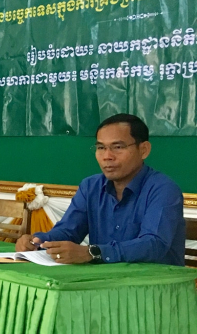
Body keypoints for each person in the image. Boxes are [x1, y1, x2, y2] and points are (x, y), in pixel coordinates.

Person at [15, 113, 185, 265]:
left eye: (118, 147)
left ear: (144, 150)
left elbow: (154, 245)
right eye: (101, 148)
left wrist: (93, 253)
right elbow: (68, 231)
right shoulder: (90, 187)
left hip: (153, 283)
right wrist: (37, 241)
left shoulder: (163, 189)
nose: (107, 156)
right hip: (103, 281)